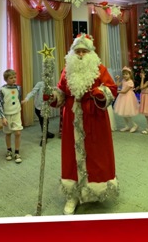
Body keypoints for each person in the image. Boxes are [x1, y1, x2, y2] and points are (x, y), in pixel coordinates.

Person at [50, 33, 119, 215]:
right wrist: (53, 96)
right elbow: (61, 92)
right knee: (71, 155)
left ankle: (95, 189)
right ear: (72, 53)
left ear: (91, 52)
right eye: (77, 51)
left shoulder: (99, 69)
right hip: (72, 119)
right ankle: (73, 194)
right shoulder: (67, 70)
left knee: (97, 154)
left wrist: (100, 93)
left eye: (84, 51)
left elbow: (112, 89)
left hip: (94, 117)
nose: (80, 54)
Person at [0, 69, 23, 163]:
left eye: (15, 77)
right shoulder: (2, 90)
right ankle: (9, 150)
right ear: (6, 79)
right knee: (8, 133)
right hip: (6, 115)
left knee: (18, 133)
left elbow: (19, 99)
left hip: (16, 113)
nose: (14, 79)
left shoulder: (18, 88)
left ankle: (17, 152)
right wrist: (2, 117)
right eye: (11, 78)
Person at [22, 80, 55, 145]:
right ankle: (44, 136)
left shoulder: (50, 85)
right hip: (38, 108)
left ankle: (46, 134)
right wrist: (26, 99)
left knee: (46, 121)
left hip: (46, 107)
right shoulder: (40, 84)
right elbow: (33, 92)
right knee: (42, 122)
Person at [113, 66, 139, 133]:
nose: (125, 75)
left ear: (130, 74)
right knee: (123, 113)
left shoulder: (130, 82)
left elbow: (125, 91)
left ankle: (134, 125)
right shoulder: (123, 80)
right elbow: (117, 85)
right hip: (122, 97)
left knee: (127, 113)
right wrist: (118, 79)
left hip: (128, 97)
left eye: (126, 74)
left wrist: (117, 92)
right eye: (124, 74)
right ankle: (127, 126)